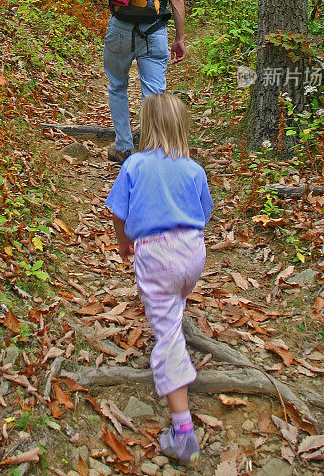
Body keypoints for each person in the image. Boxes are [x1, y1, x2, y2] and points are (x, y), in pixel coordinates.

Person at [105, 92, 213, 463]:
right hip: (193, 251)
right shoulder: (194, 169)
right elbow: (204, 211)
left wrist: (124, 244)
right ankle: (175, 319)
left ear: (147, 127)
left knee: (166, 334)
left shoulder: (134, 165)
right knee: (175, 299)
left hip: (157, 253)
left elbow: (118, 213)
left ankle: (182, 431)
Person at [90, 0, 187, 164]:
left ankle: (123, 147)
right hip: (155, 30)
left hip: (120, 28)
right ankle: (152, 152)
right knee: (155, 94)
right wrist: (180, 38)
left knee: (117, 86)